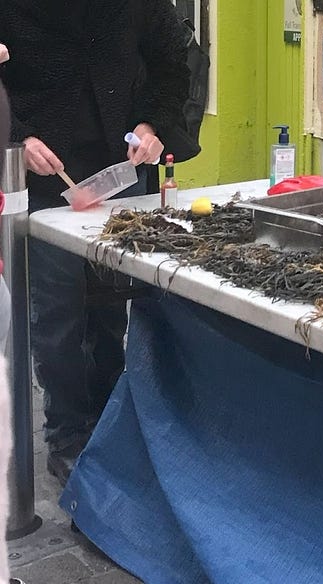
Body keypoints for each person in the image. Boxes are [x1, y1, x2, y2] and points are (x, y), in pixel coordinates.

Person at [0, 0, 191, 486]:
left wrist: (151, 126)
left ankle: (111, 415)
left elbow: (172, 62)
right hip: (42, 171)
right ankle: (66, 432)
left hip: (118, 168)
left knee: (112, 302)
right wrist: (17, 138)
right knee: (58, 308)